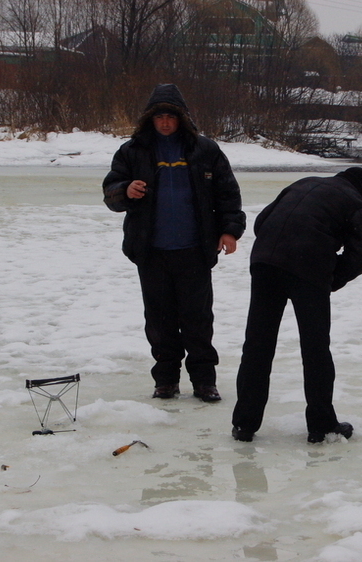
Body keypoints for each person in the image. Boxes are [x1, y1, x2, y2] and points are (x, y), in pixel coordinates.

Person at [103, 84, 245, 402]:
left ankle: (204, 381)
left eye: (171, 116)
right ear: (149, 120)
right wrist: (125, 190)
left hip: (194, 250)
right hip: (151, 252)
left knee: (198, 319)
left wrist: (229, 231)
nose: (165, 122)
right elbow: (110, 191)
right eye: (159, 117)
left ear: (181, 119)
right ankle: (166, 380)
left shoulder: (205, 150)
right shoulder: (132, 151)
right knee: (159, 320)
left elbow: (228, 195)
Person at [231, 167, 362, 443]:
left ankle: (244, 424)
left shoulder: (304, 182)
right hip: (307, 267)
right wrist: (332, 278)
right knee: (315, 348)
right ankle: (321, 424)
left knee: (257, 345)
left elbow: (262, 220)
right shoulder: (356, 202)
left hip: (265, 261)